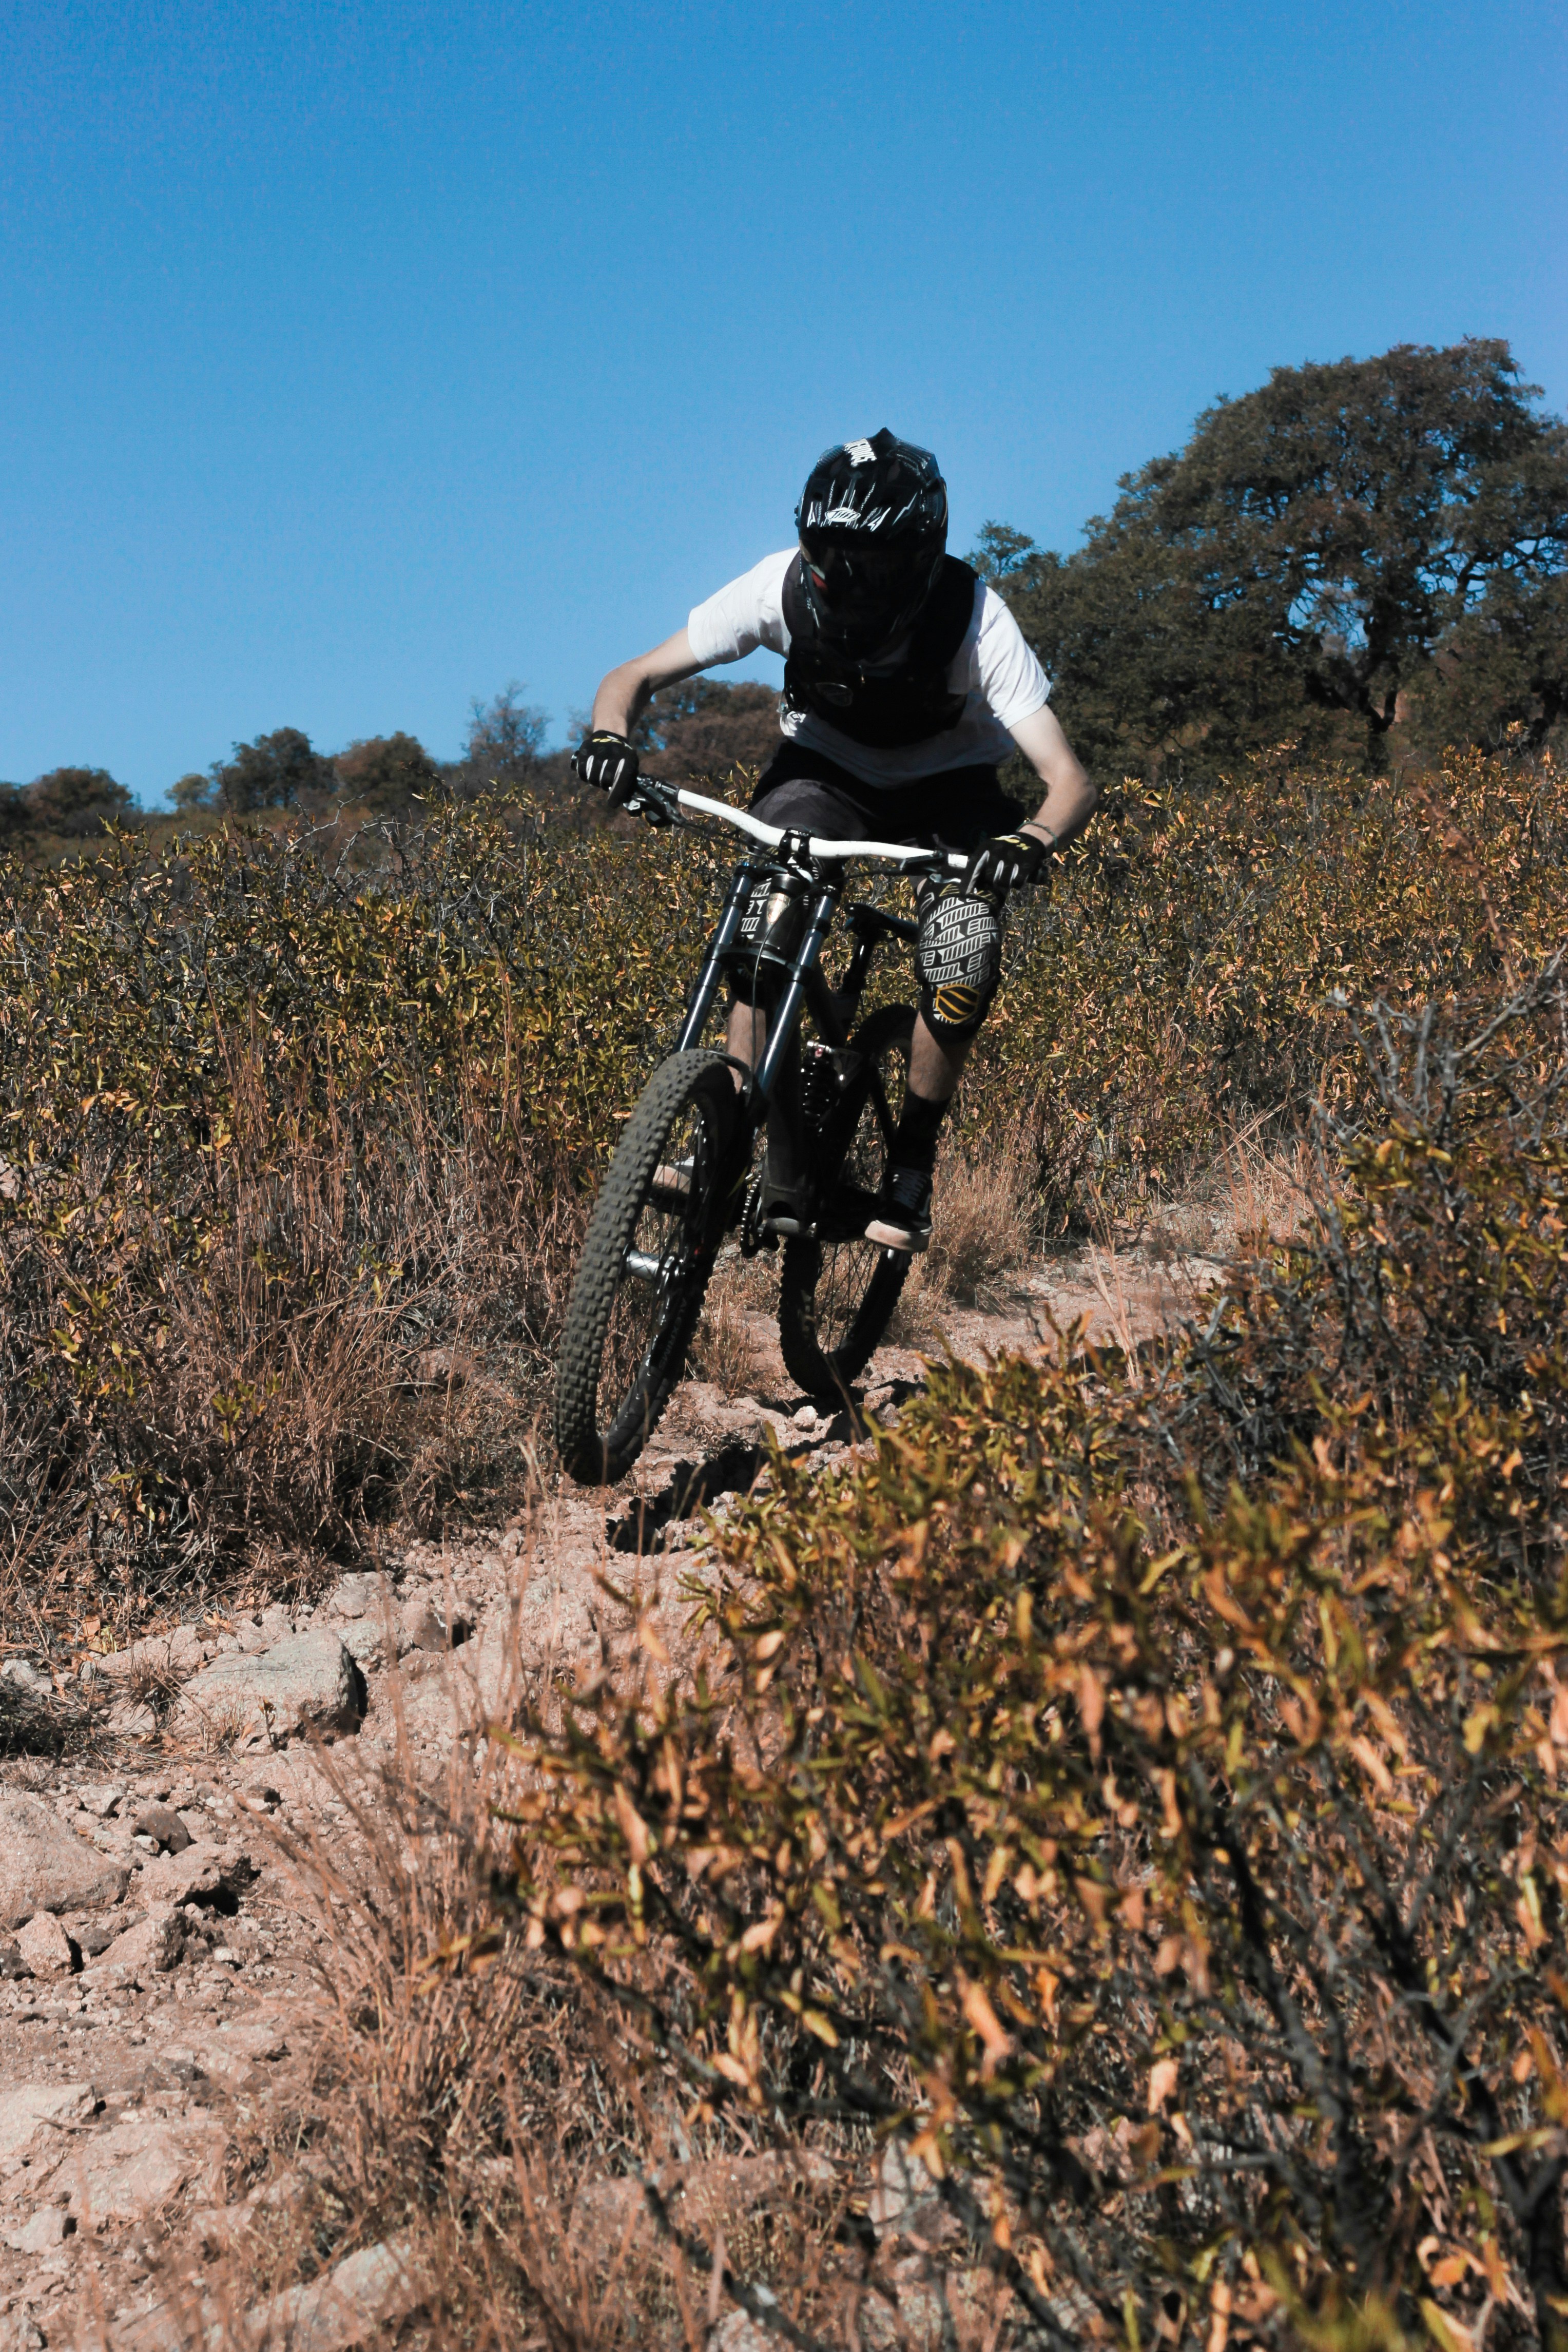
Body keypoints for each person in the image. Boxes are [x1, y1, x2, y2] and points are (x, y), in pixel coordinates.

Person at [574, 428, 1097, 1253]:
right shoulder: (773, 589)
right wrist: (610, 735)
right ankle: (729, 1134)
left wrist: (1031, 837)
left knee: (961, 946)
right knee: (764, 923)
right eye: (831, 557)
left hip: (951, 788)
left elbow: (1068, 780)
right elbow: (630, 678)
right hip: (826, 774)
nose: (850, 580)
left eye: (874, 565)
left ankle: (912, 1161)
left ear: (921, 557)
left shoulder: (974, 618)